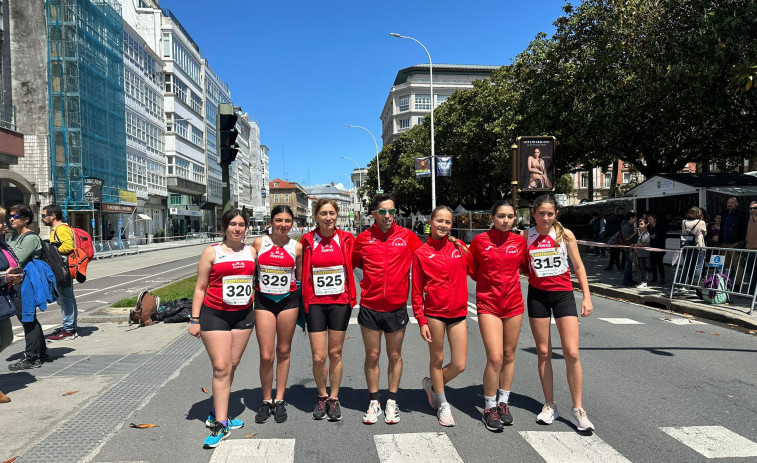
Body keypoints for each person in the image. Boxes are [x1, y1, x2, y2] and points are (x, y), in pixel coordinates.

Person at [524, 195, 595, 432]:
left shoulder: (566, 235)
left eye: (550, 214)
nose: (545, 218)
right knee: (543, 352)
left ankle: (578, 409)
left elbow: (578, 266)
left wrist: (586, 296)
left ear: (556, 215)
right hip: (538, 296)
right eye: (541, 213)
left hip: (563, 295)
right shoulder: (526, 236)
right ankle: (549, 404)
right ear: (533, 213)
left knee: (572, 353)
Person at [188, 209, 256, 448]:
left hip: (243, 315)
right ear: (224, 227)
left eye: (241, 225)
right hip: (215, 314)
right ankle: (220, 424)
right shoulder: (212, 252)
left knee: (232, 365)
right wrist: (194, 319)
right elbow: (200, 288)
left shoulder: (252, 251)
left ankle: (219, 411)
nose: (237, 228)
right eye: (233, 224)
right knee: (220, 367)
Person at [353, 193, 422, 425]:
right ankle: (374, 401)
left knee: (394, 355)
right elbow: (350, 263)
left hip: (396, 307)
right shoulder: (362, 239)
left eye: (391, 211)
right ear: (374, 214)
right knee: (372, 355)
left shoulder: (407, 237)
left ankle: (392, 401)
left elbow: (427, 257)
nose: (388, 216)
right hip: (370, 306)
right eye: (382, 212)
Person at [467, 200, 527, 432]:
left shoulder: (519, 242)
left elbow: (525, 267)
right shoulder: (480, 242)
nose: (506, 220)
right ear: (492, 218)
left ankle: (504, 402)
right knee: (495, 357)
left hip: (513, 304)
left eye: (510, 216)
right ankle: (489, 406)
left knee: (509, 354)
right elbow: (473, 270)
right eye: (501, 216)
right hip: (488, 304)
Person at [412, 205, 470, 427]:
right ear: (431, 221)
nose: (443, 225)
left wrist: (464, 249)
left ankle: (432, 385)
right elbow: (416, 291)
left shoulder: (458, 247)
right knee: (437, 359)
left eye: (447, 222)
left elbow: (474, 268)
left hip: (458, 312)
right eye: (439, 221)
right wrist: (421, 320)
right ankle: (443, 402)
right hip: (434, 313)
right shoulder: (421, 253)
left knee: (460, 364)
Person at [301, 199, 357, 422]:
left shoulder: (346, 239)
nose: (328, 218)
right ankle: (321, 396)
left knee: (335, 354)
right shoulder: (307, 240)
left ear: (337, 215)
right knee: (318, 356)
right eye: (323, 213)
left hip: (339, 302)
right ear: (315, 216)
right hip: (315, 303)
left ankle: (334, 398)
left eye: (332, 213)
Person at [251, 206, 302, 424]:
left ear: (292, 223)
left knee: (283, 351)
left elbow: (298, 276)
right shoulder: (259, 243)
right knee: (266, 355)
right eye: (279, 220)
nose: (283, 225)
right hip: (264, 301)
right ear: (271, 222)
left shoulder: (296, 247)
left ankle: (279, 399)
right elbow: (248, 270)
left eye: (287, 221)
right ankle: (266, 399)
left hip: (288, 301)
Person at [7, 204, 46, 370]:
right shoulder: (14, 238)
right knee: (29, 319)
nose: (11, 219)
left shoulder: (30, 238)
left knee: (28, 319)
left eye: (15, 216)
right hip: (17, 284)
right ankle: (41, 352)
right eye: (11, 216)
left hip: (25, 284)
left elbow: (16, 261)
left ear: (26, 219)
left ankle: (32, 358)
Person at [42, 204, 79, 341]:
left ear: (53, 216)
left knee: (65, 299)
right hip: (63, 268)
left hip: (61, 269)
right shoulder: (59, 228)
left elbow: (68, 246)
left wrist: (52, 252)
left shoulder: (61, 229)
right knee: (67, 298)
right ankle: (70, 326)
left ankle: (68, 330)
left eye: (44, 216)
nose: (42, 218)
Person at [0, 206, 25, 401]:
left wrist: (14, 276)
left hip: (3, 298)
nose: (4, 225)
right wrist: (4, 277)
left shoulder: (3, 242)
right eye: (0, 222)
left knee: (6, 337)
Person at [680, 206, 707, 288]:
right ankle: (696, 284)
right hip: (698, 246)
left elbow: (683, 232)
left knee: (686, 265)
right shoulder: (701, 222)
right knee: (698, 266)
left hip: (686, 246)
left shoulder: (684, 222)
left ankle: (684, 283)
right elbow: (704, 233)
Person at [647, 214, 667, 285]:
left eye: (650, 219)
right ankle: (654, 277)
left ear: (655, 219)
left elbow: (665, 236)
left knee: (660, 264)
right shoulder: (649, 228)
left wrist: (656, 236)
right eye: (648, 219)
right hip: (651, 248)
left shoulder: (660, 227)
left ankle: (662, 278)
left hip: (659, 248)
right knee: (653, 263)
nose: (649, 220)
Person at [604, 207, 625, 271]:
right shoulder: (623, 219)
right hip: (620, 237)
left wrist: (607, 236)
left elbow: (607, 228)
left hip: (612, 237)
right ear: (620, 211)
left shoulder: (610, 218)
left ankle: (611, 266)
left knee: (613, 252)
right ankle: (621, 266)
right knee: (623, 252)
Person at [621, 212, 638, 287]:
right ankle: (627, 280)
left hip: (631, 247)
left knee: (630, 264)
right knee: (629, 264)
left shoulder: (629, 225)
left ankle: (630, 279)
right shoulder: (626, 226)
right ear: (631, 218)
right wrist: (634, 233)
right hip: (628, 248)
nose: (635, 219)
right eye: (635, 217)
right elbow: (626, 238)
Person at [634, 218, 651, 288]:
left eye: (642, 224)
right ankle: (642, 281)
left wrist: (634, 245)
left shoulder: (646, 233)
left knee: (644, 268)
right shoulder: (641, 233)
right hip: (640, 253)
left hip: (644, 253)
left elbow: (642, 244)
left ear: (646, 225)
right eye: (639, 224)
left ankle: (644, 282)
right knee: (641, 267)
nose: (640, 226)